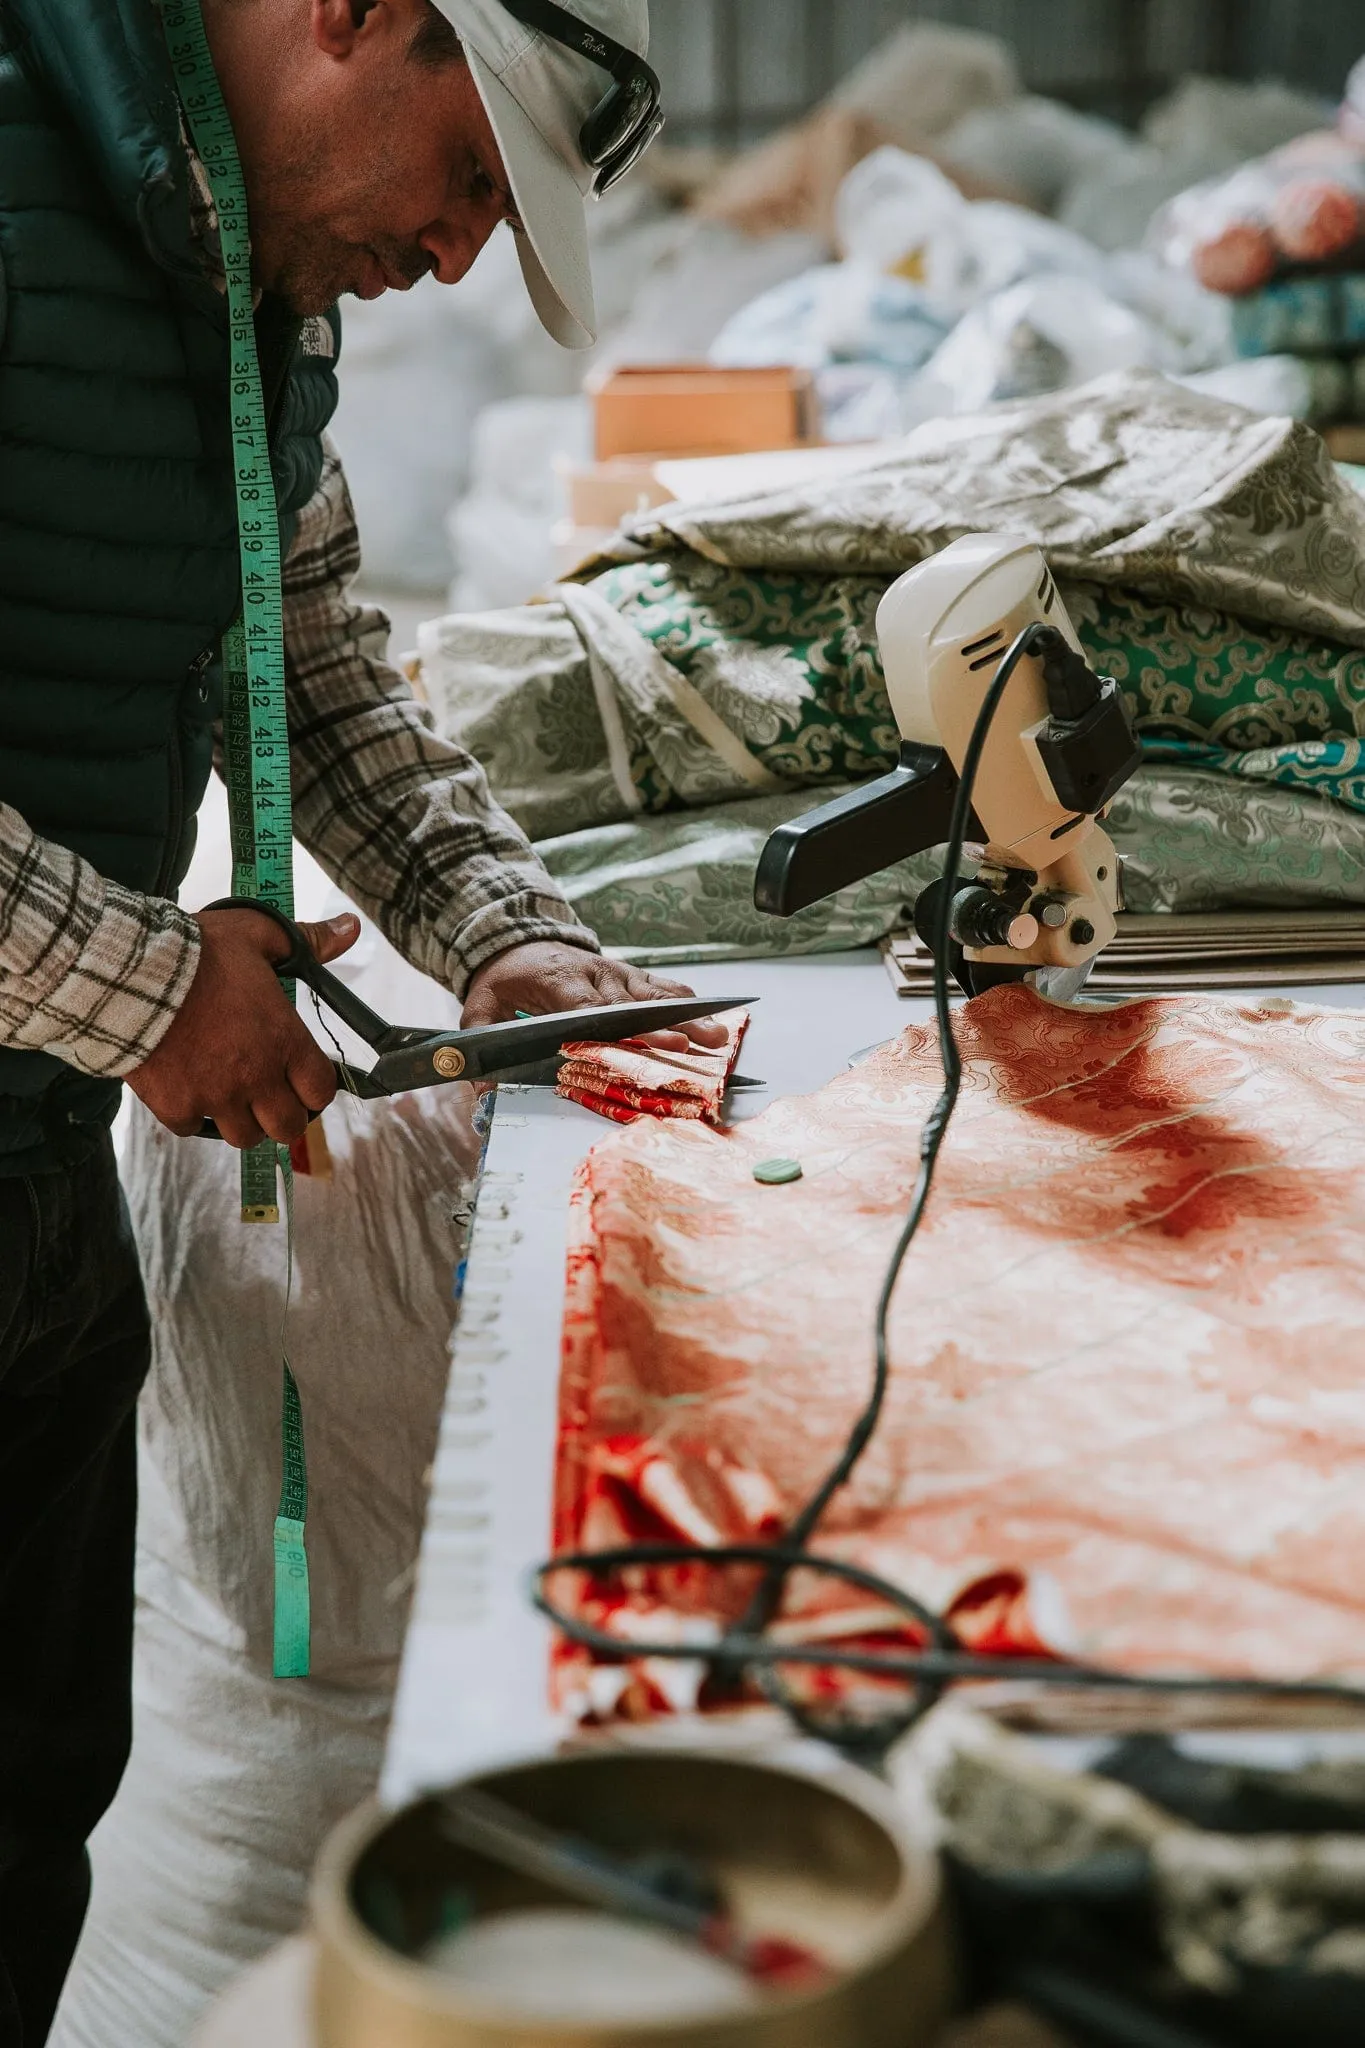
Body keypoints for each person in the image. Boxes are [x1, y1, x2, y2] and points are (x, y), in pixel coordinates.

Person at [0, 0, 711, 2038]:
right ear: (353, 13)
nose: (466, 253)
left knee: (26, 1813)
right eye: (473, 173)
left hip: (34, 1194)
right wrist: (149, 987)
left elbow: (303, 660)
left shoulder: (232, 283)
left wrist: (507, 933)